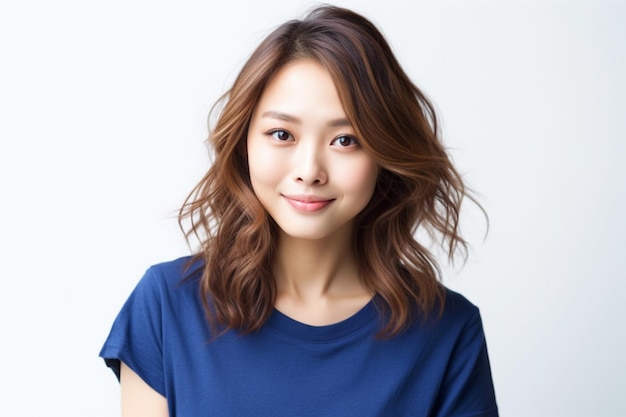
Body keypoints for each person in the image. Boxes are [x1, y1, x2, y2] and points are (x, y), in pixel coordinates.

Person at [100, 5, 498, 417]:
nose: (309, 171)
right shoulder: (167, 307)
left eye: (346, 140)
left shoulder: (448, 331)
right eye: (282, 134)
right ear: (244, 144)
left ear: (384, 153)